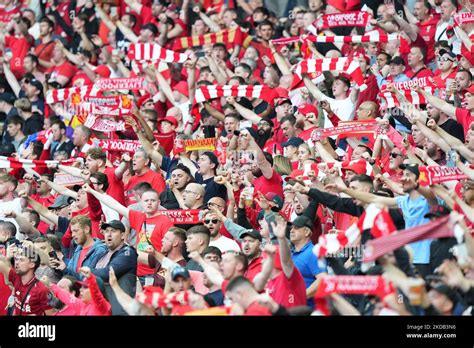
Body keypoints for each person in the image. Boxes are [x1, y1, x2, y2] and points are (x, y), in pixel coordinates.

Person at [93, 220, 138, 316]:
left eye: (113, 231)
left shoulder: (128, 252)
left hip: (121, 310)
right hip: (105, 308)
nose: (109, 234)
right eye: (106, 231)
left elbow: (107, 273)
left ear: (122, 236)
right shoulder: (103, 254)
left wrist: (88, 273)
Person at [0, 245, 49, 315]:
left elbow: (52, 314)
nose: (17, 262)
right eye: (16, 259)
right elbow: (2, 264)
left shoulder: (41, 289)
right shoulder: (15, 277)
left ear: (32, 265)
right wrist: (7, 258)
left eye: (21, 260)